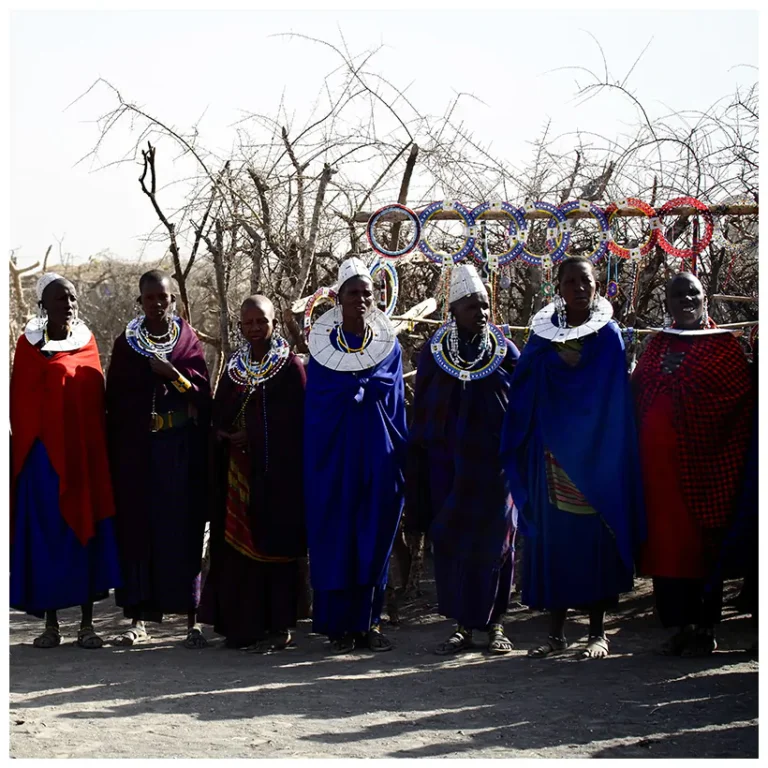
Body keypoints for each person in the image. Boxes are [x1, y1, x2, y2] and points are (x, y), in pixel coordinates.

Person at [500, 257, 645, 659]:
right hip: (551, 458)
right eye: (570, 281)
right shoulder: (542, 338)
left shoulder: (609, 336)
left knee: (595, 543)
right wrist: (551, 361)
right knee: (556, 544)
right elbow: (523, 381)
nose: (579, 287)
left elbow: (612, 397)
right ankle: (555, 633)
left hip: (596, 457)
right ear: (557, 287)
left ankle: (597, 632)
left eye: (586, 281)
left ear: (597, 287)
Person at [632, 272, 753, 656]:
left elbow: (736, 400)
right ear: (666, 304)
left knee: (700, 548)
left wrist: (686, 402)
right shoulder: (655, 346)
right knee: (666, 548)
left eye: (693, 293)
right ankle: (679, 626)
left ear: (705, 299)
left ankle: (704, 627)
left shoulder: (725, 347)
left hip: (704, 469)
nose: (686, 299)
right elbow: (638, 392)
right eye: (678, 295)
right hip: (658, 474)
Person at [406, 264, 520, 655]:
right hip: (448, 466)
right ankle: (461, 625)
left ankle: (497, 623)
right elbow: (424, 407)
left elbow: (518, 399)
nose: (481, 313)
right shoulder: (435, 353)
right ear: (453, 310)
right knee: (453, 543)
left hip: (494, 468)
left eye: (485, 306)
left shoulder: (504, 349)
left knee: (498, 544)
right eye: (472, 306)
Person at [10, 273, 122, 649]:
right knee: (46, 539)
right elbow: (21, 406)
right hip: (41, 460)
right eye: (59, 299)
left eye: (72, 298)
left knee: (83, 535)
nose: (68, 304)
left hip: (81, 457)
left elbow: (94, 403)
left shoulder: (86, 344)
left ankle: (87, 626)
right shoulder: (27, 349)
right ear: (44, 305)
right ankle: (51, 625)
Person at [304, 257, 407, 654]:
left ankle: (370, 623)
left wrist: (366, 389)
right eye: (353, 293)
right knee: (337, 535)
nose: (361, 299)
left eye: (367, 292)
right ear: (339, 299)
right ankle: (337, 626)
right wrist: (352, 392)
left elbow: (394, 400)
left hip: (377, 456)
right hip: (333, 460)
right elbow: (318, 404)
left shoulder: (388, 347)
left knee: (373, 534)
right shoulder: (321, 351)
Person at [106, 270, 212, 648]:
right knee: (139, 530)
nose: (156, 303)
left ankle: (191, 621)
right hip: (139, 452)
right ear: (140, 301)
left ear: (172, 300)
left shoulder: (187, 340)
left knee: (184, 529)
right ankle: (138, 620)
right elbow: (115, 401)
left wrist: (174, 376)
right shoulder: (126, 344)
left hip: (180, 447)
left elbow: (203, 394)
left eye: (162, 297)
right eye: (149, 298)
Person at [199, 295, 307, 652]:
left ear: (274, 323)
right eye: (248, 323)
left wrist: (257, 436)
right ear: (240, 326)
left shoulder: (290, 368)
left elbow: (297, 422)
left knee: (272, 546)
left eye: (261, 321)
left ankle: (278, 627)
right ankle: (241, 625)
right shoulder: (234, 368)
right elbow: (220, 411)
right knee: (235, 552)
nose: (255, 328)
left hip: (275, 478)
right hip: (236, 474)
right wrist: (223, 434)